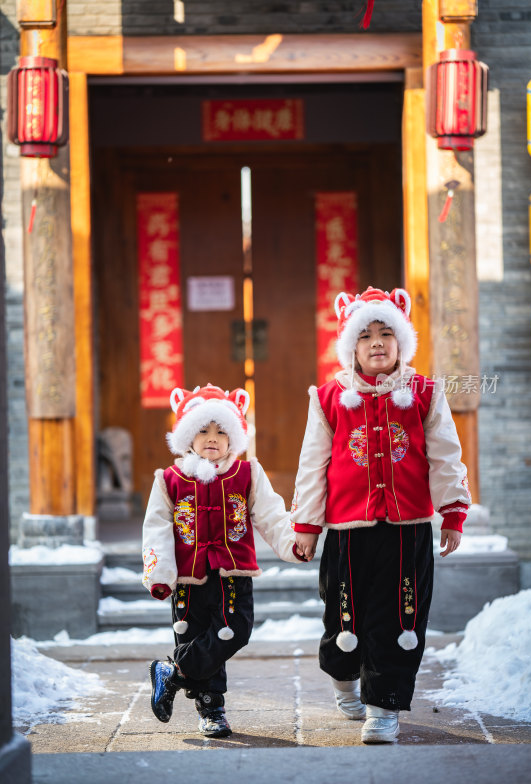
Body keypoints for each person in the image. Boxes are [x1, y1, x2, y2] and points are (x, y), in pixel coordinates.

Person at [291, 286, 471, 743]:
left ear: (402, 342)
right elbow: (313, 463)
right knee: (343, 618)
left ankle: (384, 708)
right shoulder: (330, 397)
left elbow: (446, 457)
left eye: (386, 333)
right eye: (365, 334)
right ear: (350, 345)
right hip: (348, 534)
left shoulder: (425, 393)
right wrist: (307, 526)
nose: (376, 342)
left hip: (407, 532)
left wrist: (452, 512)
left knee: (400, 620)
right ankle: (343, 678)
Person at [142, 383, 301, 738]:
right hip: (187, 577)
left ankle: (173, 672)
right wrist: (160, 574)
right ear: (187, 436)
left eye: (221, 431)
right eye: (202, 430)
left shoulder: (247, 474)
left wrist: (291, 544)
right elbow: (156, 528)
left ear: (235, 438)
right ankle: (212, 710)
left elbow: (271, 515)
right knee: (193, 633)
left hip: (233, 572)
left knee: (235, 629)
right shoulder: (169, 479)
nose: (212, 438)